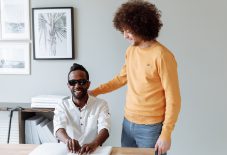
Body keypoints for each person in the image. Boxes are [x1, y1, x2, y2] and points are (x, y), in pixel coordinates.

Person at [89, 0, 181, 155]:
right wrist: (95, 92)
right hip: (128, 123)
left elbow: (174, 99)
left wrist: (166, 133)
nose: (125, 36)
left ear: (141, 27)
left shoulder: (163, 56)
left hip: (151, 128)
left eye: (128, 31)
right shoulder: (131, 51)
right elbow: (121, 78)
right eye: (123, 31)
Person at [53, 63, 111, 154]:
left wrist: (94, 144)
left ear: (88, 84)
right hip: (68, 152)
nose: (77, 86)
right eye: (73, 82)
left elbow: (105, 128)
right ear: (68, 85)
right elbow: (58, 128)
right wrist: (68, 141)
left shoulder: (101, 104)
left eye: (82, 82)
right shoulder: (62, 105)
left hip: (93, 151)